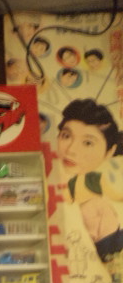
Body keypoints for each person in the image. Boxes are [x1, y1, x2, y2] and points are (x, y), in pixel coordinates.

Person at [57, 98, 123, 273]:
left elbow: (111, 268)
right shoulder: (44, 181)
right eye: (66, 135)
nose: (71, 149)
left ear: (109, 151)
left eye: (88, 143)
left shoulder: (102, 211)